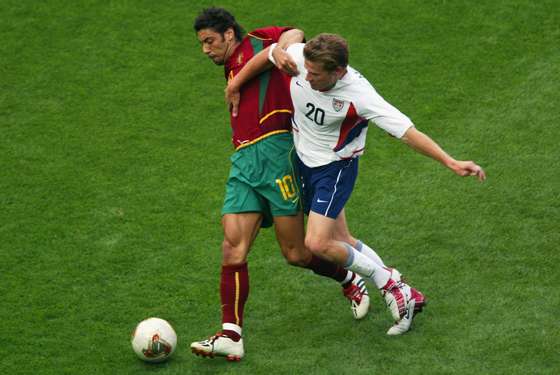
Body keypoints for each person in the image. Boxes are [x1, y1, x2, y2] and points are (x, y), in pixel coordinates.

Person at [227, 33, 486, 335]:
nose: (306, 77)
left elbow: (406, 131)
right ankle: (404, 291)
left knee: (317, 243)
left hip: (334, 169)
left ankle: (389, 283)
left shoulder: (359, 95)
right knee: (344, 241)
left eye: (315, 74)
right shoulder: (299, 58)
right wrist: (236, 83)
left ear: (338, 72)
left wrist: (450, 161)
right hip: (303, 162)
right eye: (305, 69)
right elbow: (271, 52)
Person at [190, 9, 376, 361]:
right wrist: (235, 80)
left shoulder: (258, 41)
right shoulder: (231, 68)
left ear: (229, 34)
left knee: (297, 254)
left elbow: (294, 34)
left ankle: (349, 280)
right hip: (244, 162)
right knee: (232, 247)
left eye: (210, 41)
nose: (206, 50)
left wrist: (279, 50)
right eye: (202, 44)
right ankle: (231, 333)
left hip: (279, 156)